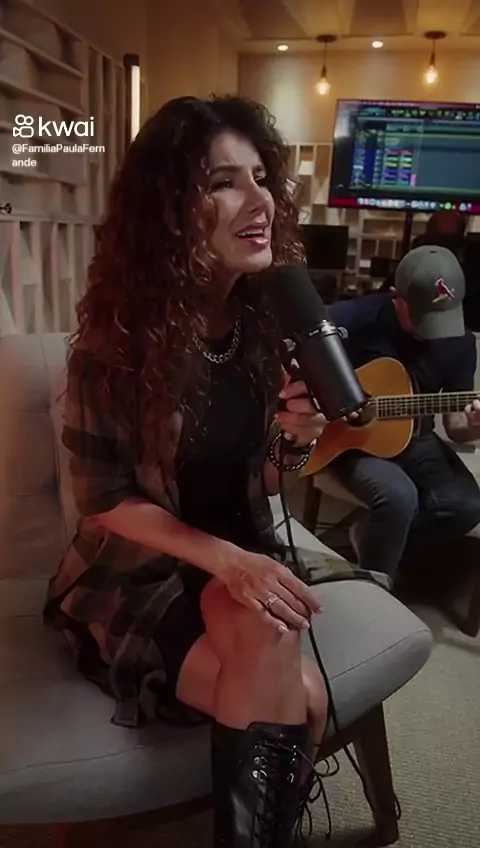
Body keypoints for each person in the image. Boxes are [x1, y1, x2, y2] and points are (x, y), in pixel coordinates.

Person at [43, 95, 330, 847]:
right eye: (223, 182)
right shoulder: (114, 346)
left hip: (240, 553)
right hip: (146, 570)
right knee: (300, 695)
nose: (259, 200)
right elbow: (103, 500)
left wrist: (296, 441)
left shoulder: (264, 325)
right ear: (170, 212)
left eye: (261, 177)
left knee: (295, 687)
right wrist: (227, 561)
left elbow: (264, 482)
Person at [327, 244, 480, 580]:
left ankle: (370, 543)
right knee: (398, 497)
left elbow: (456, 425)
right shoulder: (357, 317)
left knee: (467, 505)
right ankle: (373, 590)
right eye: (424, 316)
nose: (434, 330)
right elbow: (302, 356)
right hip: (349, 439)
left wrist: (474, 425)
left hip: (416, 439)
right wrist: (332, 403)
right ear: (396, 298)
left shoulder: (460, 342)